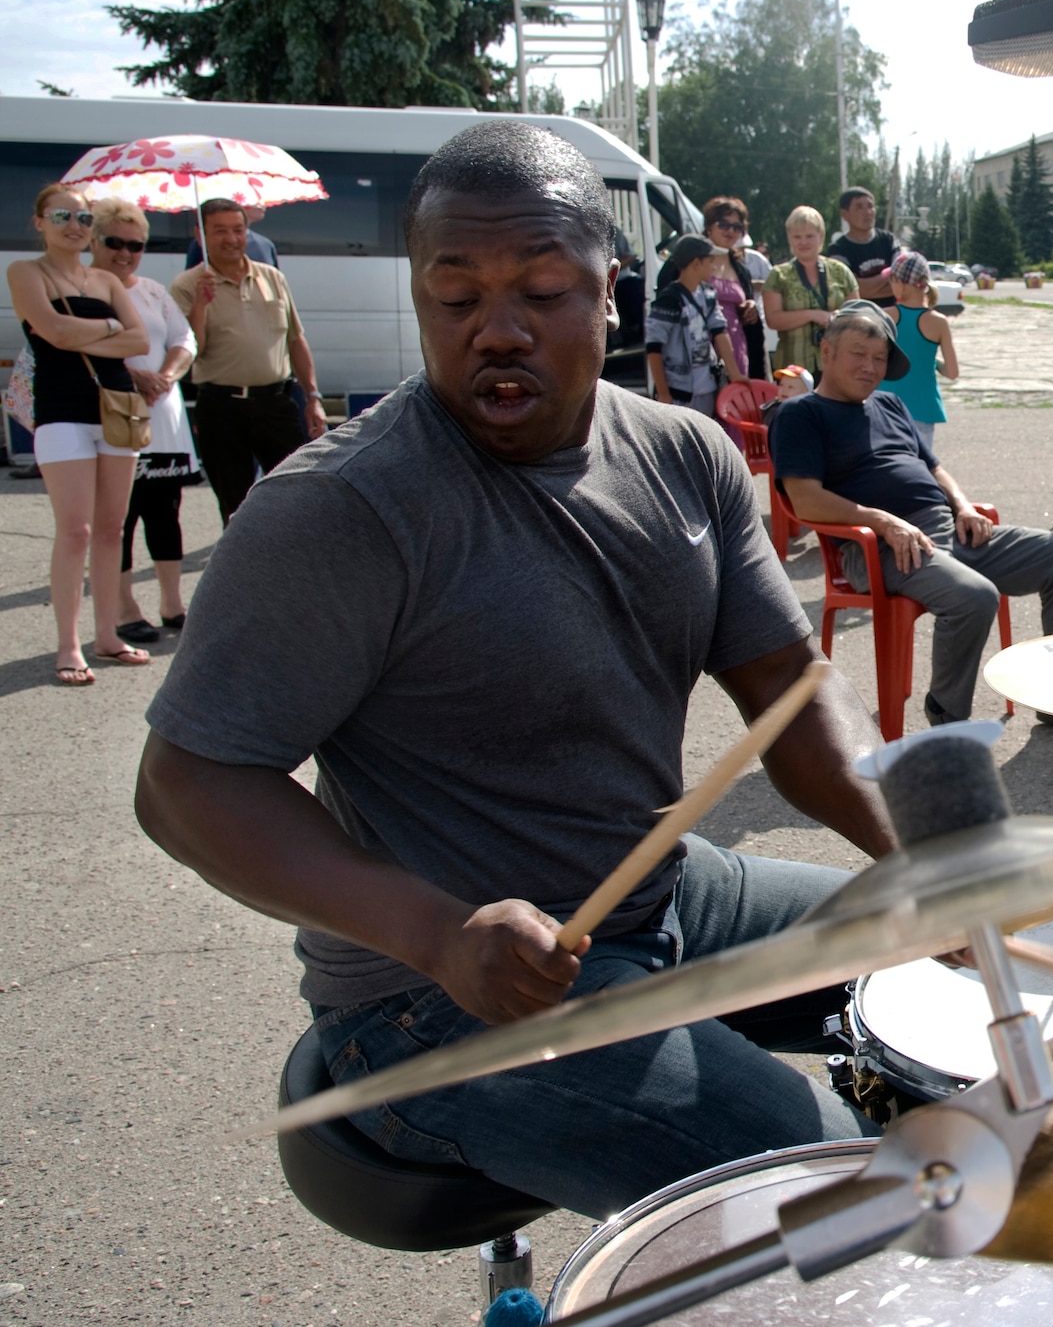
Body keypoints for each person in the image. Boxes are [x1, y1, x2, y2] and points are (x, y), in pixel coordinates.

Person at [133, 121, 895, 1221]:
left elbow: (788, 692)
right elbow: (185, 786)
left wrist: (914, 855)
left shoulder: (685, 454)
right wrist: (435, 934)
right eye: (455, 299)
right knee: (848, 1195)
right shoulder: (343, 508)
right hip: (428, 1004)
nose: (498, 331)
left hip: (661, 894)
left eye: (542, 291)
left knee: (951, 981)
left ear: (608, 285)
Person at [770, 301, 1053, 727]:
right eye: (858, 354)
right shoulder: (800, 413)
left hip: (947, 531)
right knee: (974, 597)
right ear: (826, 351)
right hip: (880, 548)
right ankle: (948, 719)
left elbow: (933, 467)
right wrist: (883, 522)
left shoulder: (889, 404)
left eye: (879, 358)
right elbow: (805, 499)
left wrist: (962, 505)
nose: (870, 367)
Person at [6, 184, 152, 685]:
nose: (75, 225)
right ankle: (69, 644)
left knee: (113, 528)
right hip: (61, 411)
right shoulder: (25, 272)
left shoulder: (106, 280)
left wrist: (99, 331)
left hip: (117, 410)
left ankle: (107, 635)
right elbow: (54, 333)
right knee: (76, 530)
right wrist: (110, 330)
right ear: (40, 222)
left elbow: (140, 338)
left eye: (84, 218)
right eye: (62, 215)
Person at [169, 198, 323, 524]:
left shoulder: (272, 278)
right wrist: (200, 305)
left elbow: (295, 339)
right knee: (235, 508)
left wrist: (313, 398)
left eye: (238, 229)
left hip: (276, 404)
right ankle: (246, 573)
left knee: (297, 496)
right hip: (222, 407)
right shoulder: (186, 286)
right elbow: (190, 351)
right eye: (220, 230)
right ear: (200, 234)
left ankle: (294, 572)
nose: (231, 238)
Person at [89, 198, 199, 644]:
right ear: (94, 241)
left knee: (164, 512)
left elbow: (183, 338)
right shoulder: (82, 289)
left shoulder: (154, 291)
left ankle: (172, 602)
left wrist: (166, 375)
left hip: (163, 419)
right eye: (113, 242)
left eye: (134, 245)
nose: (124, 252)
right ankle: (123, 606)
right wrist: (134, 375)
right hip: (114, 418)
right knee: (120, 517)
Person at [645, 234, 744, 417]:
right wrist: (663, 392)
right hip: (678, 390)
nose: (714, 266)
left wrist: (734, 374)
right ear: (696, 263)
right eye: (710, 261)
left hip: (707, 386)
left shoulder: (708, 294)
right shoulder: (669, 300)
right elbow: (653, 348)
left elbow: (720, 331)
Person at [763, 206, 859, 379]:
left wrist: (839, 317)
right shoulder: (778, 275)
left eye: (809, 236)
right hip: (793, 366)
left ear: (821, 237)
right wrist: (813, 315)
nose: (803, 242)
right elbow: (773, 319)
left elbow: (858, 315)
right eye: (797, 237)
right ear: (789, 239)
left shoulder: (841, 271)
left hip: (837, 362)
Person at [885, 251, 958, 454]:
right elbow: (952, 372)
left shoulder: (885, 317)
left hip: (885, 408)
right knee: (920, 470)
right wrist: (930, 361)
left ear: (899, 284)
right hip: (923, 410)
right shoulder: (939, 322)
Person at [703, 196, 768, 381]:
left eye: (737, 226)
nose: (730, 230)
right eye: (723, 224)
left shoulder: (740, 268)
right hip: (700, 355)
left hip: (737, 351)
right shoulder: (690, 259)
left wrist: (749, 308)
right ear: (709, 225)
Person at [827, 187, 899, 306]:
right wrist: (889, 279)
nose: (868, 212)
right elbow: (851, 292)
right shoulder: (838, 250)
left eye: (870, 206)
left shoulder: (888, 240)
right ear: (845, 214)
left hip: (893, 318)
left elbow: (904, 283)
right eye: (859, 207)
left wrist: (864, 287)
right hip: (860, 318)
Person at [185, 201, 278, 268]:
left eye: (238, 230)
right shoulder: (204, 243)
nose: (232, 240)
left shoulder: (266, 244)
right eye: (221, 231)